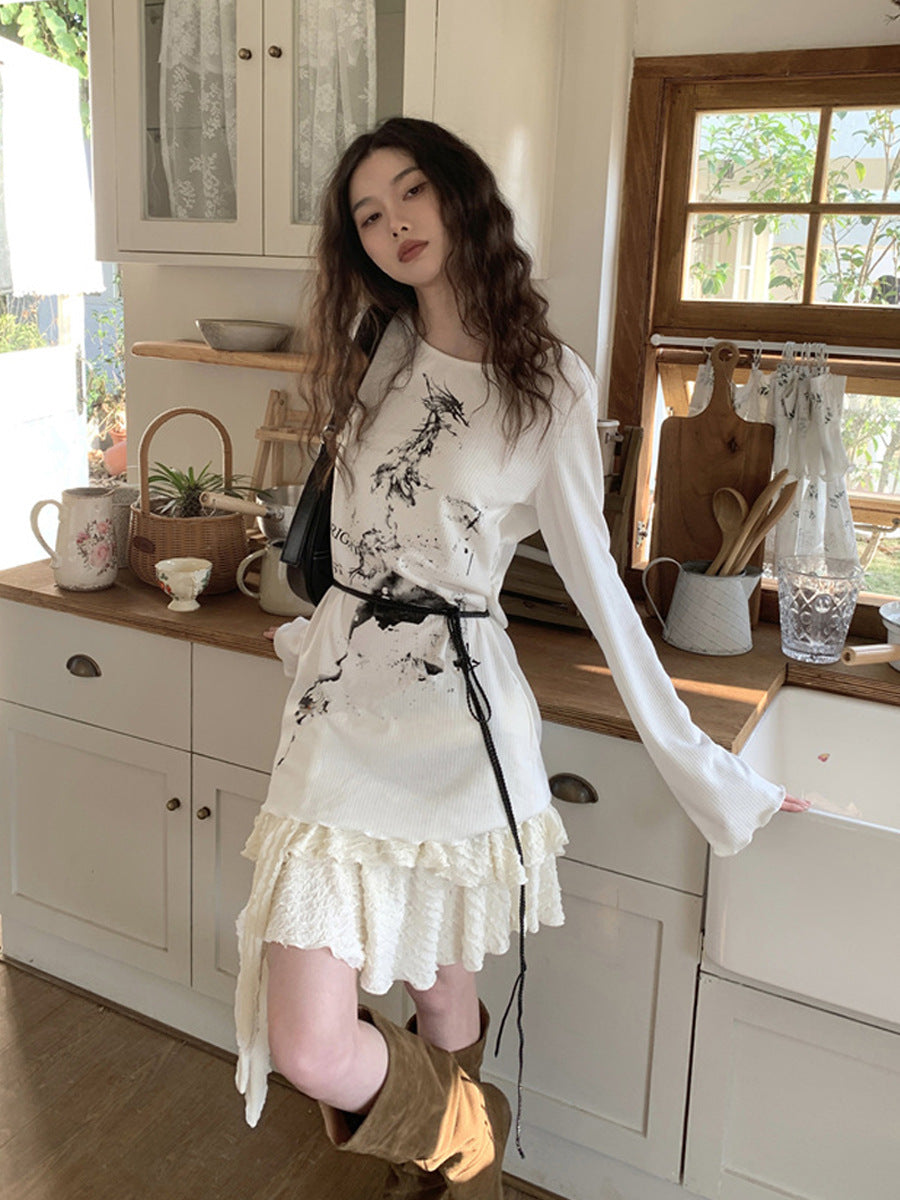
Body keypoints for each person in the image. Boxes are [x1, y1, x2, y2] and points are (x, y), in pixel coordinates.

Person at [233, 116, 809, 1199]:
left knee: (445, 992)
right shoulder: (375, 347)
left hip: (458, 721)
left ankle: (452, 1178)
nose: (394, 223)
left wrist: (710, 771)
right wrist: (312, 641)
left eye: (412, 191)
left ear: (463, 196)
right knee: (310, 1041)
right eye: (368, 213)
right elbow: (361, 542)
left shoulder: (549, 384)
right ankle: (469, 1139)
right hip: (338, 717)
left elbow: (603, 594)